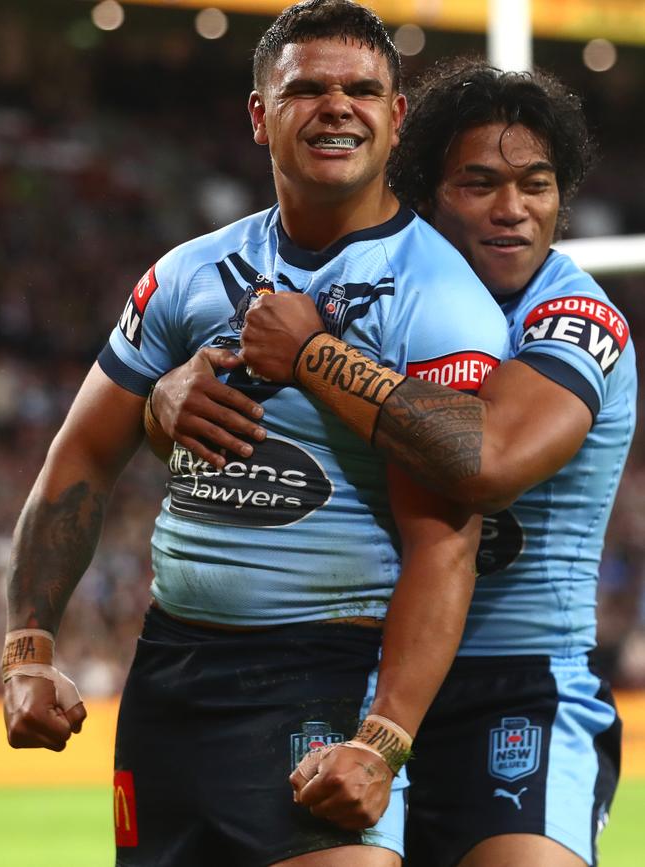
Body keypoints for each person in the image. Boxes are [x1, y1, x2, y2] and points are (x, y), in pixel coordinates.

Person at [0, 5, 509, 867]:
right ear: (257, 115)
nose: (336, 106)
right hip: (169, 676)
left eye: (362, 89)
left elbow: (447, 536)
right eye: (306, 87)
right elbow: (81, 455)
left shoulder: (440, 297)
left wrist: (384, 740)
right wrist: (28, 644)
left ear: (398, 116)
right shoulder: (185, 274)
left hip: (331, 670)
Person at [150, 59, 637, 867]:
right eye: (479, 184)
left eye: (537, 185)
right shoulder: (376, 294)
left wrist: (312, 354)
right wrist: (161, 397)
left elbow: (490, 460)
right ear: (426, 194)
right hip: (359, 676)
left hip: (514, 688)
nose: (513, 210)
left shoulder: (574, 316)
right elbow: (227, 418)